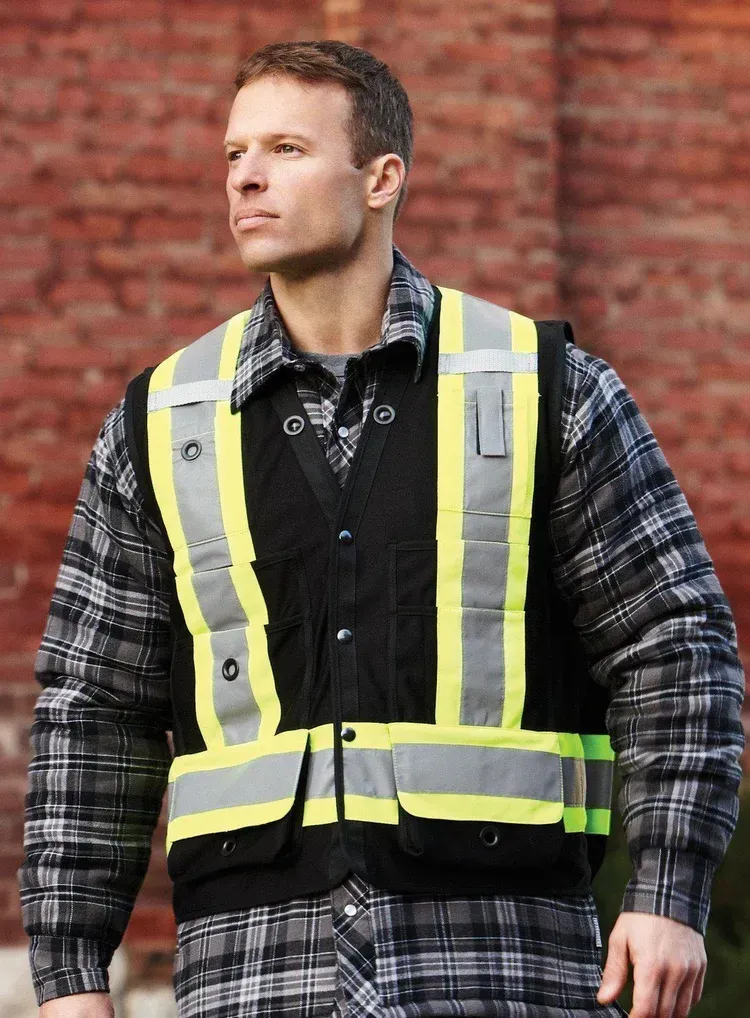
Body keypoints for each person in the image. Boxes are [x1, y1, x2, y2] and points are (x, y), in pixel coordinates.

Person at [19, 39, 745, 1018]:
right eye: (234, 153)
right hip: (252, 970)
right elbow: (92, 708)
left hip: (504, 958)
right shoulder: (162, 423)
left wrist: (667, 890)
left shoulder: (544, 390)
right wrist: (68, 973)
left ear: (380, 178)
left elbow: (675, 645)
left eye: (284, 147)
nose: (246, 176)